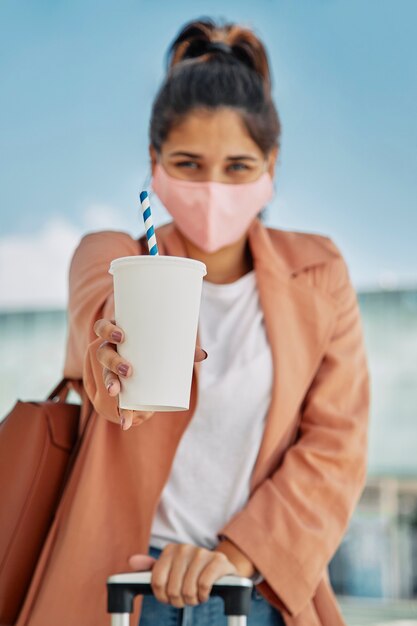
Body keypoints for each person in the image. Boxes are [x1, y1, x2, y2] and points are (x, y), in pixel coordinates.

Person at [16, 18, 370, 626]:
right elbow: (100, 321)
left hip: (257, 590)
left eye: (237, 167)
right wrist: (113, 362)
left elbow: (335, 445)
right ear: (154, 162)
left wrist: (235, 555)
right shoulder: (113, 256)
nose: (212, 188)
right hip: (119, 590)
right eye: (188, 163)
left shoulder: (320, 272)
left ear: (271, 165)